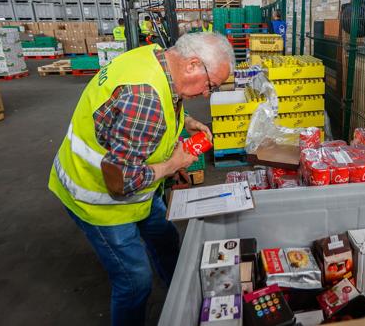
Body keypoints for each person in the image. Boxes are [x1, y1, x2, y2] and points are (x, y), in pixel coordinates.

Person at [48, 32, 235, 326]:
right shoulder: (143, 99)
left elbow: (157, 102)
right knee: (134, 281)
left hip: (140, 190)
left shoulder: (156, 58)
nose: (207, 94)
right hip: (100, 199)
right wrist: (172, 164)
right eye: (210, 85)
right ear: (193, 65)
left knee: (166, 241)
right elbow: (121, 181)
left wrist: (184, 122)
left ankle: (184, 296)